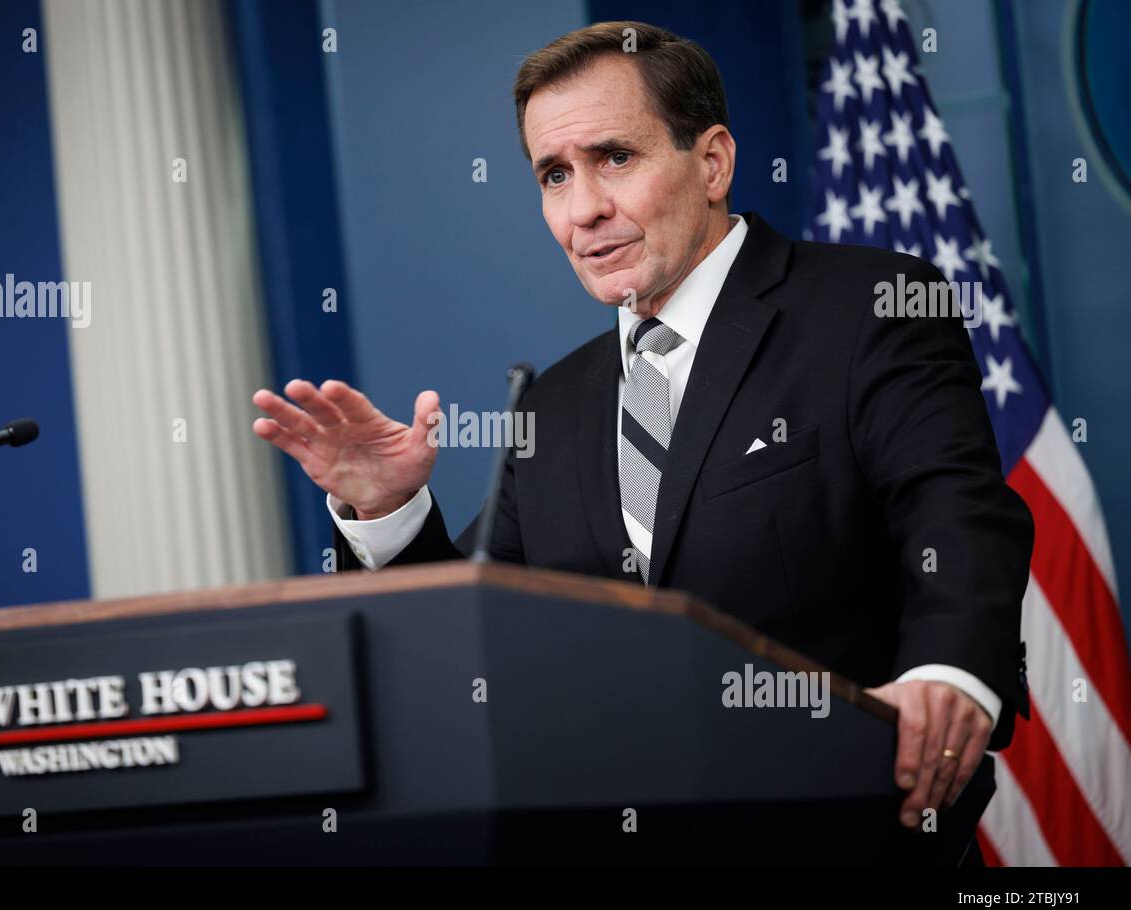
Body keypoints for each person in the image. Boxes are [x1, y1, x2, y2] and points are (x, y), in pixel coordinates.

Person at [251, 21, 1033, 838]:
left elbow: (955, 514)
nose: (584, 210)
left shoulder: (865, 309)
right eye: (555, 175)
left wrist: (949, 674)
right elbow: (476, 640)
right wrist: (387, 512)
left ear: (713, 162)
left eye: (614, 159)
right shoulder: (551, 408)